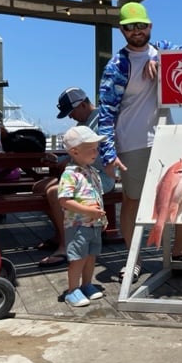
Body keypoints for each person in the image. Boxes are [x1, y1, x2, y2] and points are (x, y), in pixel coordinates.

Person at [98, 1, 182, 284]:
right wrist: (108, 153)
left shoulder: (163, 49)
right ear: (122, 30)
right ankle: (133, 258)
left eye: (140, 25)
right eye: (129, 27)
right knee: (132, 200)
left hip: (168, 137)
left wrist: (162, 61)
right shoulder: (116, 65)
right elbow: (106, 111)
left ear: (150, 26)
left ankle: (180, 247)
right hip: (132, 142)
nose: (136, 31)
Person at [37, 87, 116, 268]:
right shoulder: (83, 124)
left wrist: (68, 161)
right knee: (40, 187)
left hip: (99, 176)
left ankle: (65, 246)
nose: (70, 117)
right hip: (82, 174)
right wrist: (60, 160)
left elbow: (97, 158)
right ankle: (61, 232)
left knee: (54, 192)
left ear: (82, 105)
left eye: (71, 112)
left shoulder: (102, 121)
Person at [58, 125, 107, 307]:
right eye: (91, 149)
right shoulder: (70, 174)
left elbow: (97, 196)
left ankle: (86, 284)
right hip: (78, 225)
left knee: (91, 255)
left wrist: (101, 217)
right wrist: (88, 212)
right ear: (75, 151)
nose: (96, 152)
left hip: (93, 224)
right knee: (78, 258)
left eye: (97, 148)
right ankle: (72, 290)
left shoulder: (92, 172)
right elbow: (64, 200)